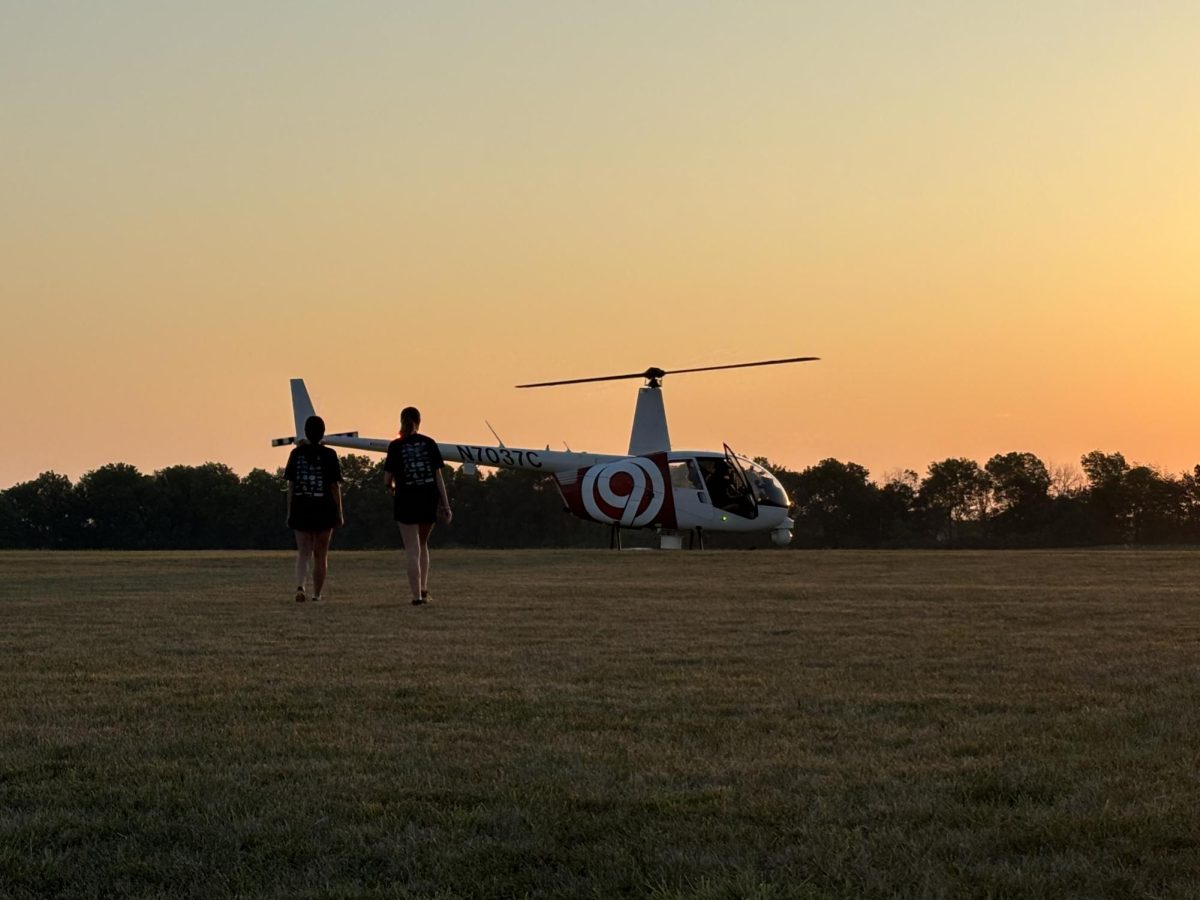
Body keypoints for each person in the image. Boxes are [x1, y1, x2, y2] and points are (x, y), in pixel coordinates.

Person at [383, 406, 452, 605]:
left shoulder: (396, 446)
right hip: (427, 499)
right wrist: (445, 505)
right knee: (422, 545)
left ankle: (415, 596)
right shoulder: (429, 443)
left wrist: (392, 487)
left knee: (412, 550)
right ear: (419, 421)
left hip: (406, 500)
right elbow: (438, 477)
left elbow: (387, 478)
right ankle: (423, 590)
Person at [284, 415, 344, 602]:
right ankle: (317, 594)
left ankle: (300, 585)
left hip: (301, 506)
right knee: (320, 554)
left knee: (303, 551)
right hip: (324, 508)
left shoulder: (296, 454)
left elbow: (291, 486)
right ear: (323, 432)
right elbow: (335, 486)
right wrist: (339, 513)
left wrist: (289, 511)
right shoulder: (330, 454)